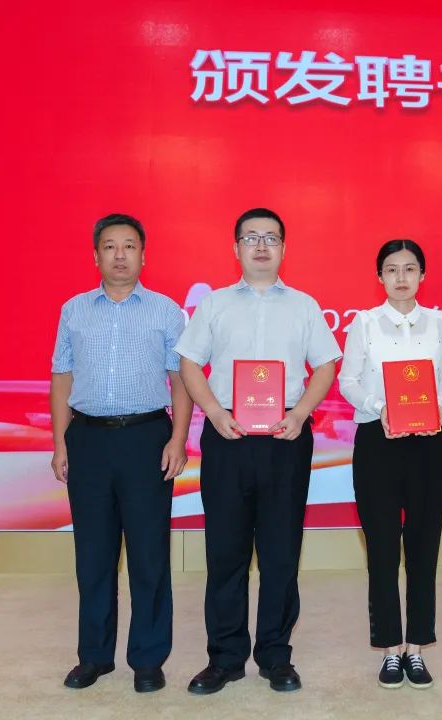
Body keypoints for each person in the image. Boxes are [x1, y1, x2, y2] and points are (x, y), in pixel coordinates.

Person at [174, 208, 341, 694]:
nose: (261, 246)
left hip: (286, 437)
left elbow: (326, 365)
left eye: (271, 238)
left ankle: (275, 656)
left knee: (280, 553)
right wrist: (213, 411)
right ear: (236, 248)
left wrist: (302, 413)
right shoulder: (215, 304)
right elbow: (189, 363)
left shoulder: (304, 306)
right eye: (251, 238)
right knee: (225, 552)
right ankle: (225, 658)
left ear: (284, 248)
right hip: (228, 436)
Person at [50, 213, 192, 694]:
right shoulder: (74, 310)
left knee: (149, 554)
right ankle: (94, 656)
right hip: (87, 439)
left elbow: (180, 381)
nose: (119, 255)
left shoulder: (166, 311)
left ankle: (148, 659)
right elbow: (62, 378)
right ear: (96, 256)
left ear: (143, 256)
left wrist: (178, 440)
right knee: (93, 555)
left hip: (146, 439)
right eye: (109, 246)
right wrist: (60, 442)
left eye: (129, 246)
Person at [338, 239, 442, 689]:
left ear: (422, 275)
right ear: (380, 277)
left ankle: (417, 648)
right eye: (392, 269)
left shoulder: (440, 323)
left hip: (429, 442)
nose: (402, 277)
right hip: (378, 440)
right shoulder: (364, 323)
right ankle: (390, 649)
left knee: (424, 547)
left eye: (410, 269)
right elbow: (348, 380)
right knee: (383, 548)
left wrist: (434, 409)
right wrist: (380, 407)